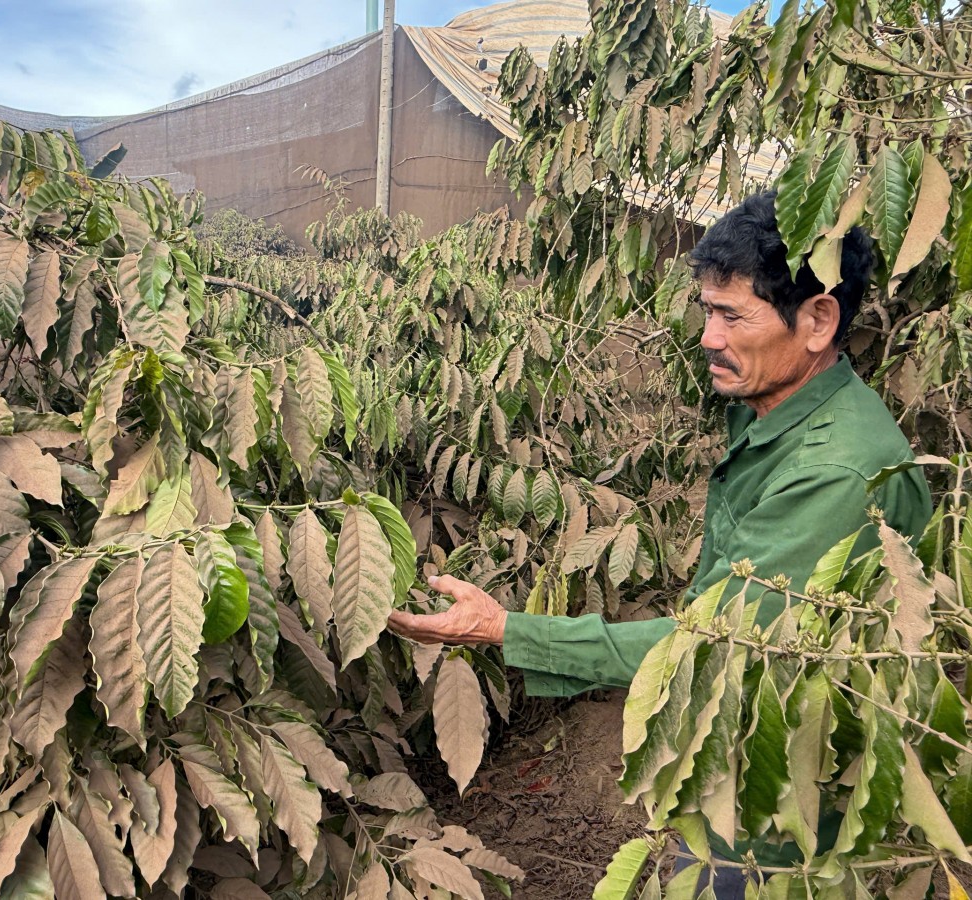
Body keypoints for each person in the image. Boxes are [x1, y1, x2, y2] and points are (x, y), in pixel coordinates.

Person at [387, 191, 932, 892]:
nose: (708, 337)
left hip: (782, 801)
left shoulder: (835, 473)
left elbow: (712, 646)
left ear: (818, 321)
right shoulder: (777, 413)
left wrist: (502, 629)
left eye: (732, 315)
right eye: (707, 311)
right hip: (737, 754)